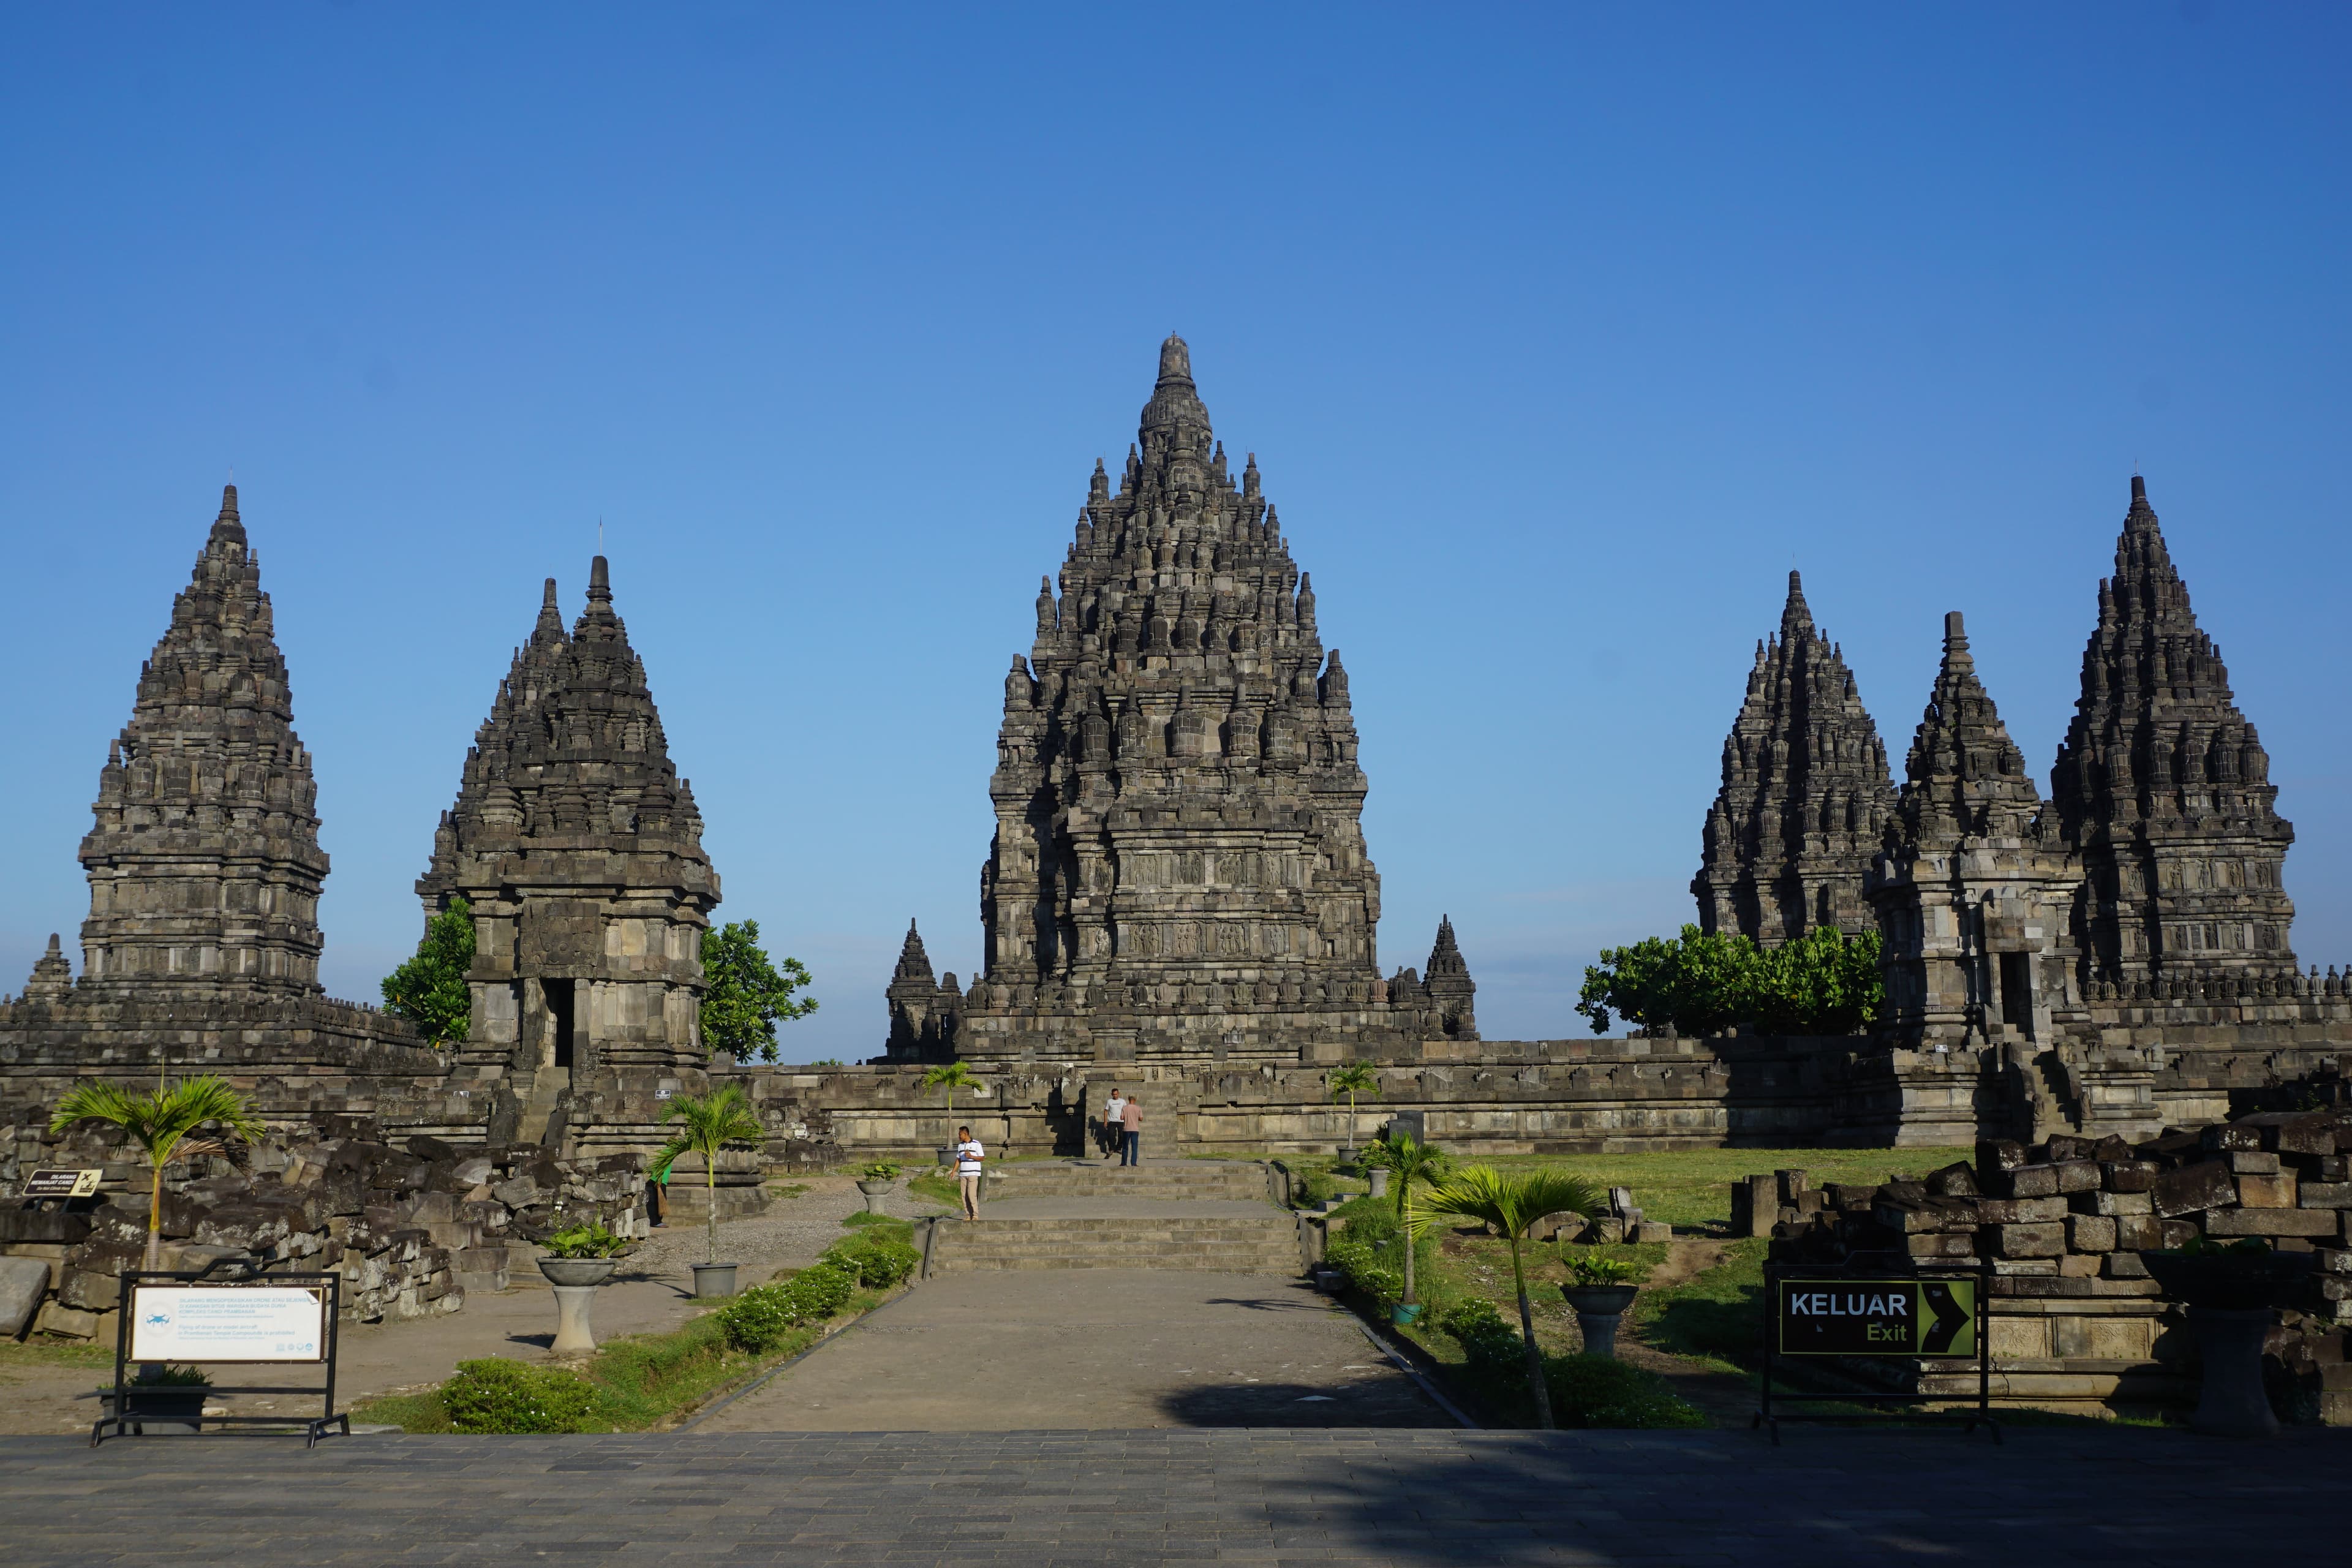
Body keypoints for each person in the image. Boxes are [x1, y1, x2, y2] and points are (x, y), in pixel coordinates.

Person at [954, 1124, 984, 1219]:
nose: (959, 1136)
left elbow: (982, 1158)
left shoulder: (977, 1144)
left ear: (965, 1134)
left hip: (973, 1173)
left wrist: (972, 1157)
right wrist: (954, 1171)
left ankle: (975, 1215)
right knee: (964, 1196)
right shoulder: (960, 1146)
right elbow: (958, 1159)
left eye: (960, 1134)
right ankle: (968, 1215)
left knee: (971, 1194)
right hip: (963, 1173)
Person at [1101, 1088, 1127, 1159]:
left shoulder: (1123, 1101)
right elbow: (1106, 1111)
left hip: (1121, 1121)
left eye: (1116, 1094)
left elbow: (1125, 1111)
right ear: (1112, 1094)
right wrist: (1105, 1121)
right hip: (1112, 1121)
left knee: (1122, 1135)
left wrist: (1126, 1119)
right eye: (1114, 1095)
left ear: (1118, 1094)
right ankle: (1112, 1149)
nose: (1115, 1096)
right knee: (1110, 1135)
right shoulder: (1109, 1101)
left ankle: (1119, 1148)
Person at [1119, 1095, 1142, 1167]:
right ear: (1135, 1100)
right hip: (1135, 1129)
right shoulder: (1138, 1108)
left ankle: (1124, 1163)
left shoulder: (1124, 1108)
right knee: (1134, 1147)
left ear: (1129, 1100)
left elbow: (1122, 1118)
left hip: (1126, 1129)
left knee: (1125, 1146)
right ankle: (1134, 1163)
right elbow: (1141, 1118)